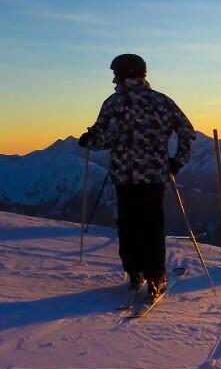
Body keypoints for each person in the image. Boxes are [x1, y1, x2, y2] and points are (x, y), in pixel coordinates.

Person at [78, 54, 196, 299]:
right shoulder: (161, 101)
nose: (113, 79)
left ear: (123, 74)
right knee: (152, 225)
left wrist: (88, 139)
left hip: (124, 175)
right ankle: (155, 277)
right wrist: (177, 161)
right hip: (154, 174)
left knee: (128, 224)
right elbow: (187, 131)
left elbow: (102, 139)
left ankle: (134, 273)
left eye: (115, 73)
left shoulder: (113, 103)